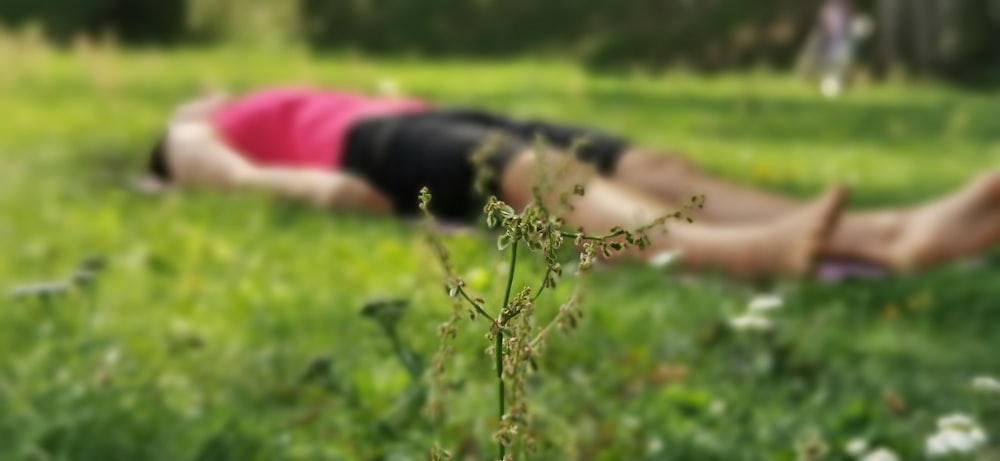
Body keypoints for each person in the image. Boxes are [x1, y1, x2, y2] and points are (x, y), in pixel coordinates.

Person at [145, 86, 1000, 279]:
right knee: (535, 176)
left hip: (420, 112)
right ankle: (736, 250)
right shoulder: (189, 126)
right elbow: (219, 171)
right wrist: (322, 194)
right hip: (368, 144)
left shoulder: (272, 95)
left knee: (652, 167)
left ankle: (888, 232)